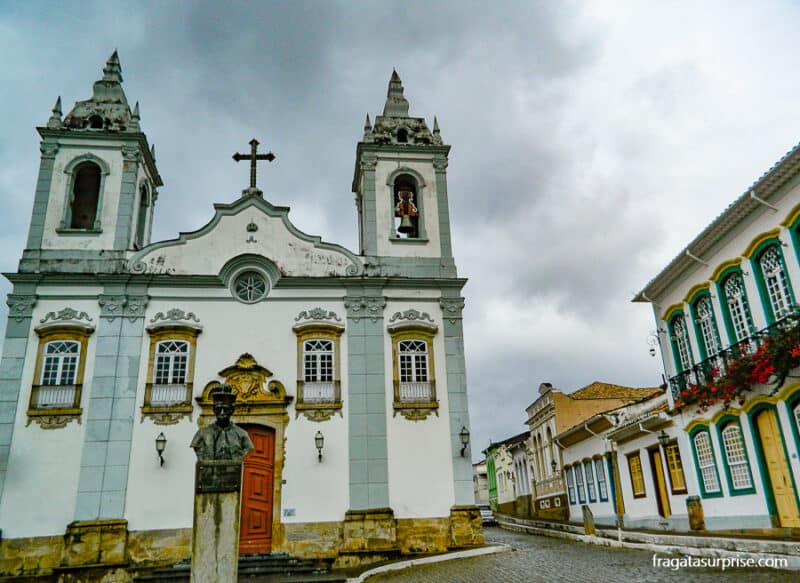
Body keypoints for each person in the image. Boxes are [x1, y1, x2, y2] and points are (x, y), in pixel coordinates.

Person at [190, 384, 254, 461]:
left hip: (232, 471)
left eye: (225, 409)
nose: (222, 412)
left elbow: (248, 448)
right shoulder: (202, 433)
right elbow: (198, 449)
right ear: (214, 410)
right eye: (218, 409)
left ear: (232, 410)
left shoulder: (242, 434)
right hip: (209, 472)